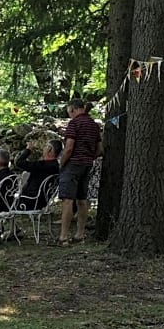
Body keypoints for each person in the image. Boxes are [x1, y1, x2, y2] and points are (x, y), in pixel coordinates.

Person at [57, 99, 102, 245]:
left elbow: (69, 147)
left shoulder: (74, 123)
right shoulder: (94, 125)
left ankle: (64, 236)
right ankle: (80, 234)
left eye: (69, 112)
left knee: (68, 200)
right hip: (87, 164)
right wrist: (89, 157)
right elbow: (100, 149)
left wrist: (62, 163)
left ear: (72, 110)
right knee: (82, 200)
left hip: (72, 164)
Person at [15, 140, 62, 210]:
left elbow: (19, 162)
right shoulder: (56, 167)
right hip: (44, 201)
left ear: (49, 149)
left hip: (30, 201)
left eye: (45, 146)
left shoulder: (42, 166)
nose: (43, 148)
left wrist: (28, 150)